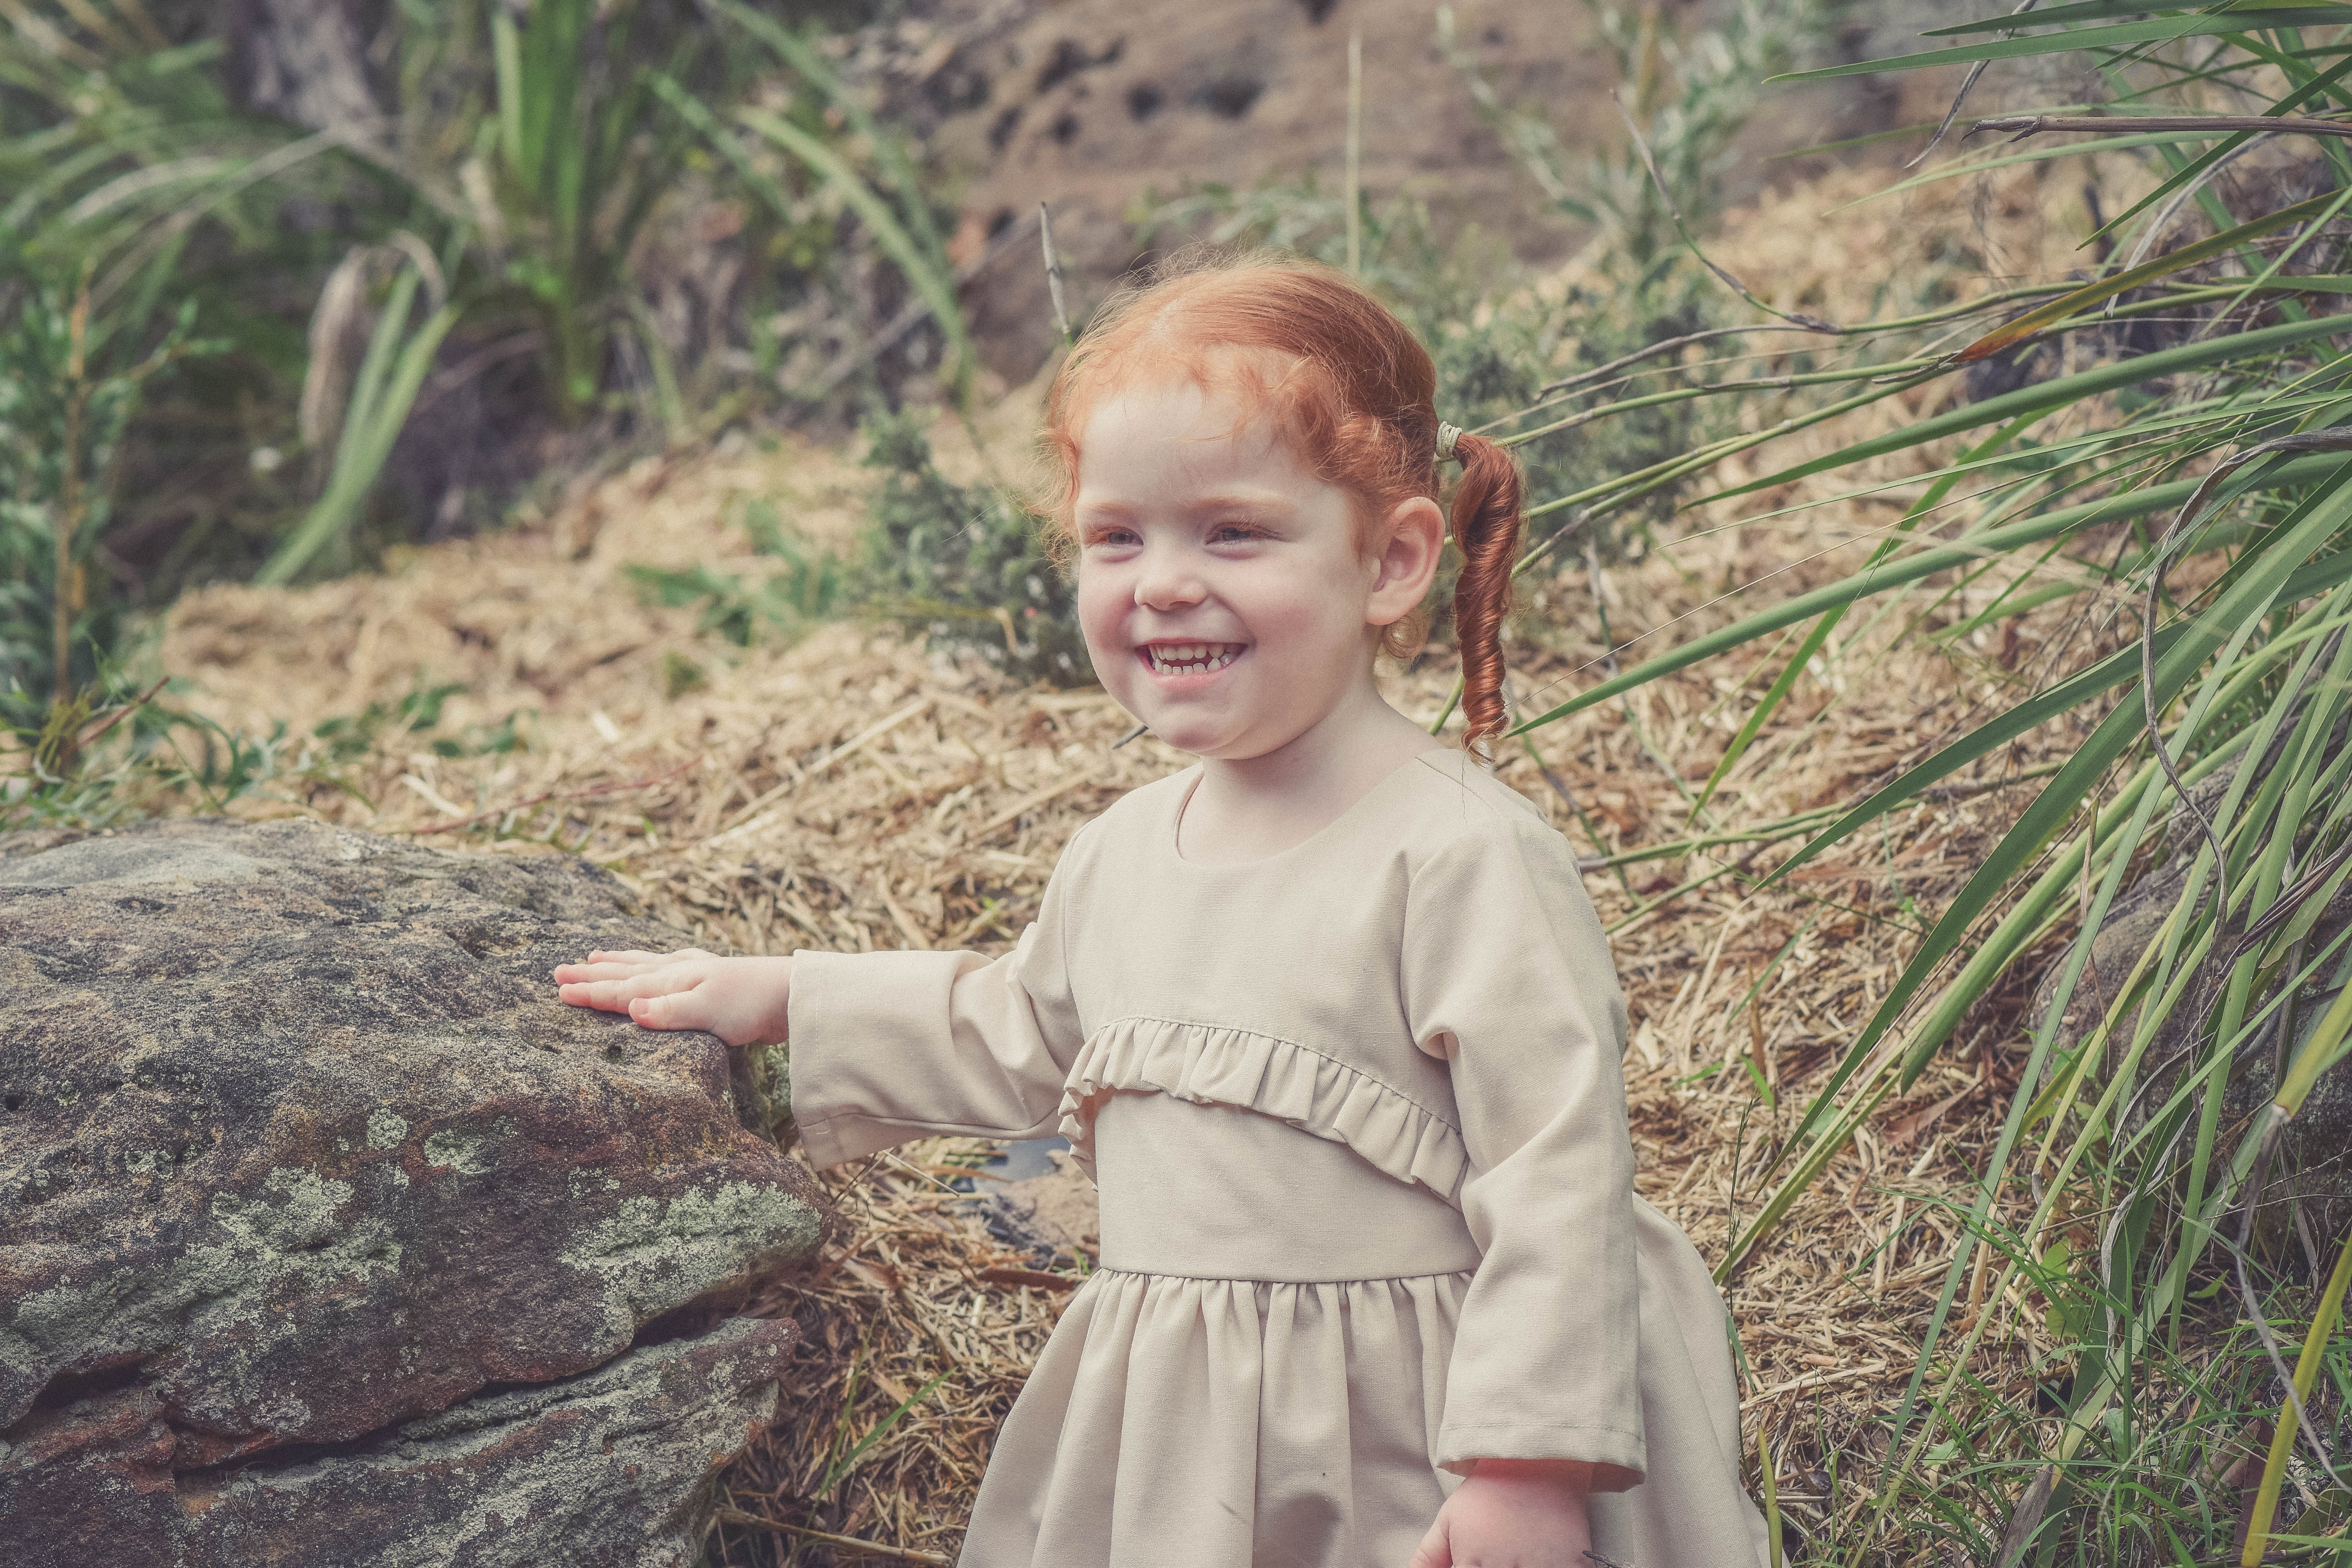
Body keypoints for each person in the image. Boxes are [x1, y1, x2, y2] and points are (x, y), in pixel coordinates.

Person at [554, 252, 1772, 1568]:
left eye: (1233, 532)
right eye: (1118, 537)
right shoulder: (1123, 851)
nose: (1165, 582)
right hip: (1194, 1428)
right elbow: (1022, 1029)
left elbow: (1559, 1171)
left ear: (1391, 560)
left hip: (1419, 1422)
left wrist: (1526, 1466)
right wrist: (788, 997)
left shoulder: (1462, 854)